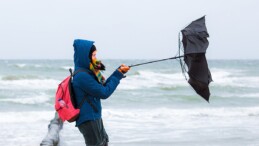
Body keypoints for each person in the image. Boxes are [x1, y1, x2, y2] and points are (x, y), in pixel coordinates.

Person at [72, 39, 130, 146]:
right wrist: (118, 74)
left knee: (104, 142)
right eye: (93, 55)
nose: (96, 58)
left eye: (95, 55)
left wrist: (119, 72)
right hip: (89, 119)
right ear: (86, 56)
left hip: (94, 116)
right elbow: (104, 93)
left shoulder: (89, 71)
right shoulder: (82, 76)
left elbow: (103, 85)